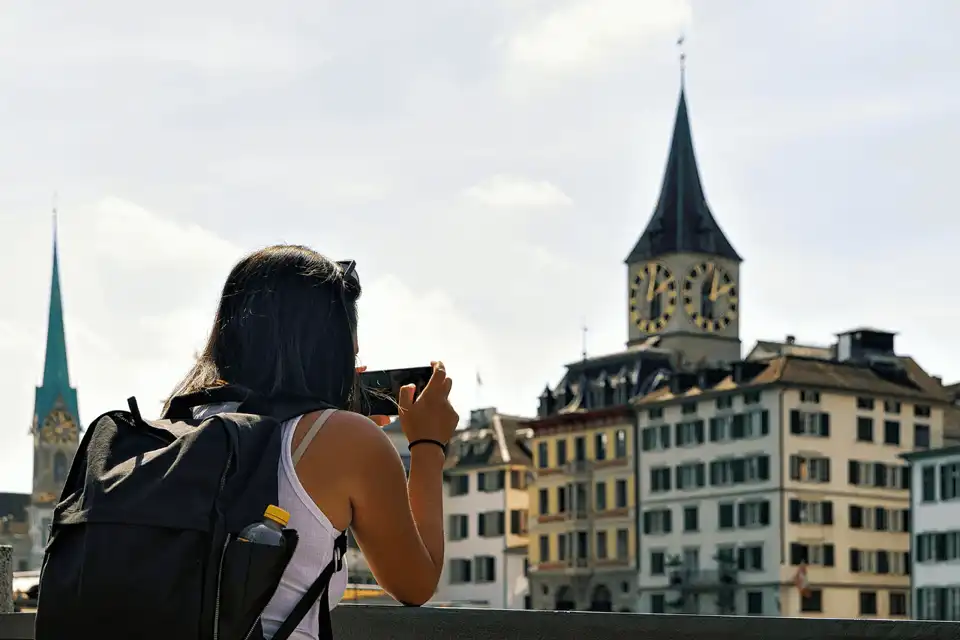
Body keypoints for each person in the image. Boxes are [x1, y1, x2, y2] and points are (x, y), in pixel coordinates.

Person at [162, 244, 459, 640]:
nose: (355, 351)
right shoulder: (351, 441)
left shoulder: (181, 421)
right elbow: (416, 583)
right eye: (350, 341)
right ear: (332, 347)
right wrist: (428, 445)